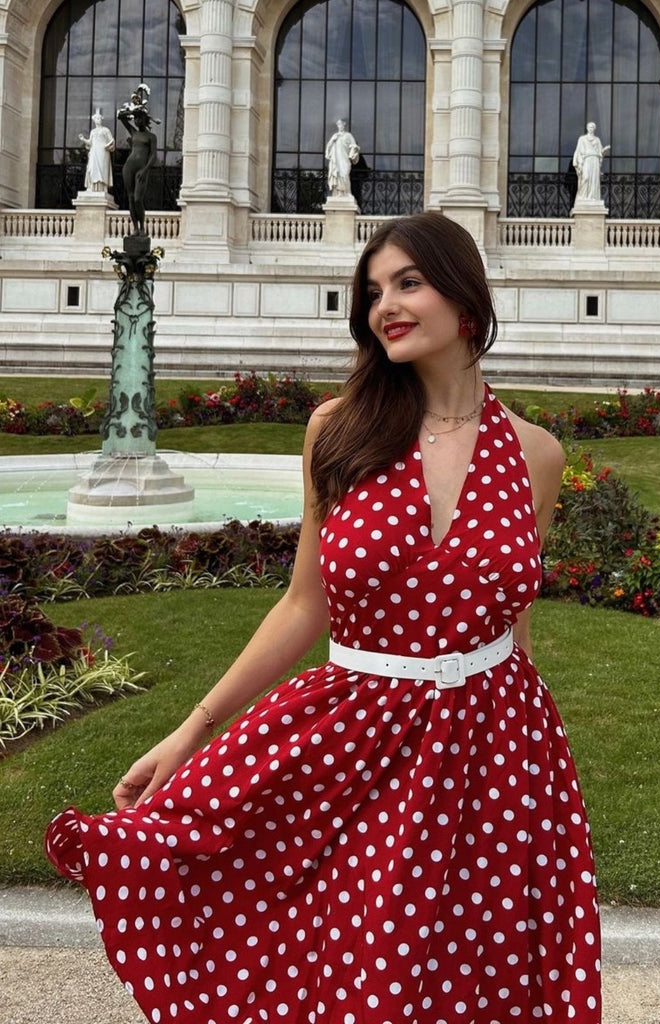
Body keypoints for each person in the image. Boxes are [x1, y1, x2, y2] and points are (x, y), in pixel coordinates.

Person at [46, 212, 602, 1024]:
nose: (386, 306)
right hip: (360, 735)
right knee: (360, 957)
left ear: (465, 298)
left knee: (475, 971)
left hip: (496, 747)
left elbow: (513, 620)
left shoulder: (536, 454)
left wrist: (527, 756)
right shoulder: (338, 432)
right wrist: (192, 729)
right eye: (373, 292)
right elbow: (305, 603)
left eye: (408, 282)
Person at [117, 104, 157, 235]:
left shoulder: (151, 137)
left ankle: (142, 227)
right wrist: (132, 111)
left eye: (139, 118)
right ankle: (135, 228)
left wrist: (145, 170)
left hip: (141, 169)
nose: (136, 121)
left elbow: (153, 156)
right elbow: (120, 117)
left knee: (137, 199)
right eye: (135, 119)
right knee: (130, 198)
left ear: (145, 119)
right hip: (129, 168)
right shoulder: (133, 132)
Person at [573, 122, 610, 203]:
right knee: (585, 177)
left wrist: (604, 151)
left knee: (594, 180)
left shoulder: (597, 140)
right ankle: (582, 196)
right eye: (589, 127)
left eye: (592, 127)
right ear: (587, 128)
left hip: (595, 160)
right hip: (587, 159)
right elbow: (578, 151)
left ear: (594, 129)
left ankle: (593, 197)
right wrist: (579, 163)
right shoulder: (582, 139)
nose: (591, 128)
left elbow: (600, 152)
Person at [79, 111, 115, 192]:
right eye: (97, 118)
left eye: (99, 118)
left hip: (103, 152)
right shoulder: (93, 131)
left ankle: (102, 188)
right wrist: (83, 139)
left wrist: (108, 145)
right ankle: (92, 187)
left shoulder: (105, 130)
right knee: (91, 168)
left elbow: (112, 140)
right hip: (94, 151)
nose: (98, 120)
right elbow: (90, 142)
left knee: (102, 169)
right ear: (94, 120)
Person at [325, 118, 360, 196]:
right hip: (336, 160)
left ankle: (347, 192)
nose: (339, 126)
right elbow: (328, 148)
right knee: (338, 174)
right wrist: (332, 141)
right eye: (338, 125)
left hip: (344, 159)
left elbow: (354, 146)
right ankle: (338, 192)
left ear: (344, 125)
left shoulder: (348, 135)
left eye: (341, 124)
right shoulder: (335, 136)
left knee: (345, 174)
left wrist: (354, 149)